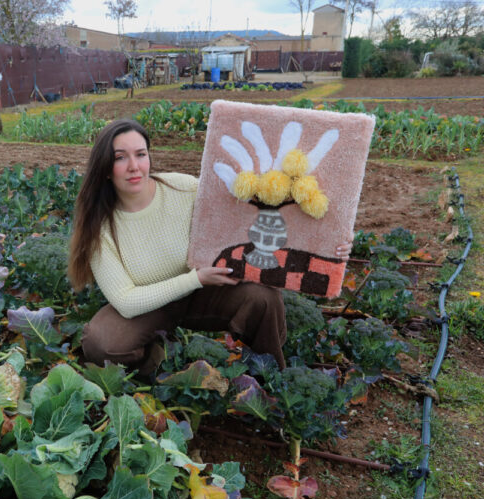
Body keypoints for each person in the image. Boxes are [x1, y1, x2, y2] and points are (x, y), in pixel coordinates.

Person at [67, 119, 352, 375]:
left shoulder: (183, 188)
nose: (134, 166)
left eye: (141, 154)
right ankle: (157, 361)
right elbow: (126, 302)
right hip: (152, 304)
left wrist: (328, 245)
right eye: (120, 157)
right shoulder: (99, 228)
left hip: (206, 293)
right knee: (101, 343)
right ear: (105, 168)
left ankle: (269, 377)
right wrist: (195, 278)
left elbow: (258, 212)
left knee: (263, 297)